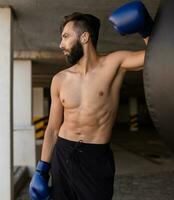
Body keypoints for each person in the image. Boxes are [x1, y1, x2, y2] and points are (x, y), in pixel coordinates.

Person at [29, 1, 153, 199]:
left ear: (85, 37)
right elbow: (52, 128)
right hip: (64, 153)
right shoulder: (59, 79)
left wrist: (146, 29)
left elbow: (155, 56)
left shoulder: (115, 64)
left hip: (95, 157)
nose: (61, 44)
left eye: (66, 37)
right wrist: (41, 170)